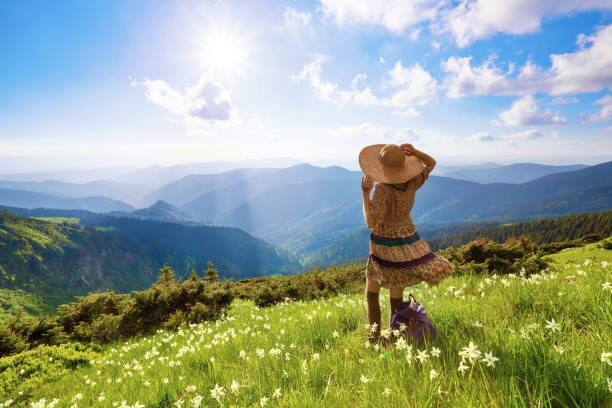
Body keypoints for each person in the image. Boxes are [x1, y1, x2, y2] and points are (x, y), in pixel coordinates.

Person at [358, 143, 454, 343]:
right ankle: (395, 337)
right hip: (407, 240)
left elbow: (370, 221)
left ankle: (375, 339)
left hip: (384, 244)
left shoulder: (382, 189)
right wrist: (416, 152)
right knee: (396, 290)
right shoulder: (412, 182)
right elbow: (431, 163)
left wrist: (366, 193)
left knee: (372, 292)